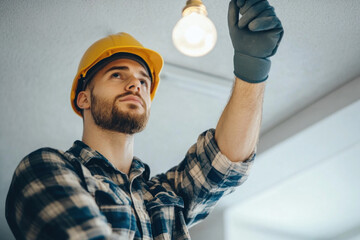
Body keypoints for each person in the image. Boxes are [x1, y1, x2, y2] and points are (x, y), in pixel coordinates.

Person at [5, 0, 283, 239]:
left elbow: (225, 163)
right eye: (117, 74)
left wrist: (252, 71)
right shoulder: (46, 166)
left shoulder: (164, 197)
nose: (135, 85)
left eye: (143, 80)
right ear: (84, 98)